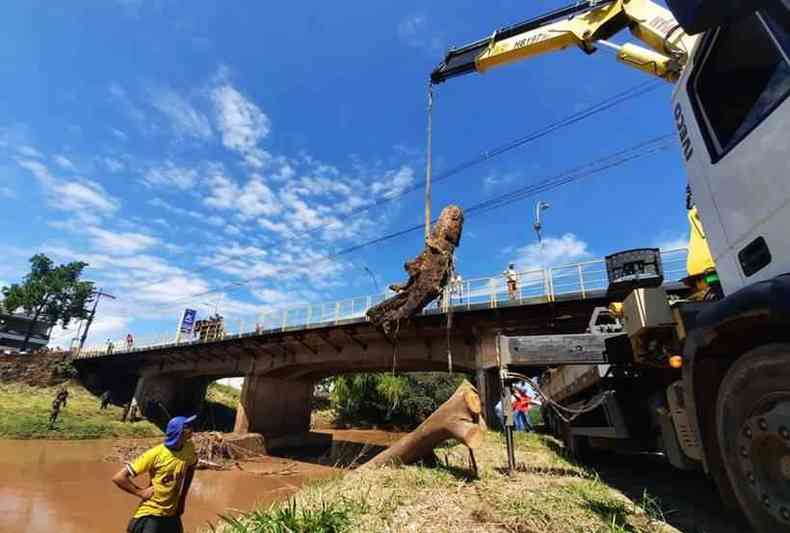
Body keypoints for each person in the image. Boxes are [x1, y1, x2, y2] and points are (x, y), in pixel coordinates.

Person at [113, 415, 198, 533]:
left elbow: (191, 468)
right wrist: (140, 492)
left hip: (172, 512)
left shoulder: (189, 447)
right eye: (188, 426)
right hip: (152, 512)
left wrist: (182, 498)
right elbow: (119, 477)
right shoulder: (155, 454)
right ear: (179, 432)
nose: (192, 429)